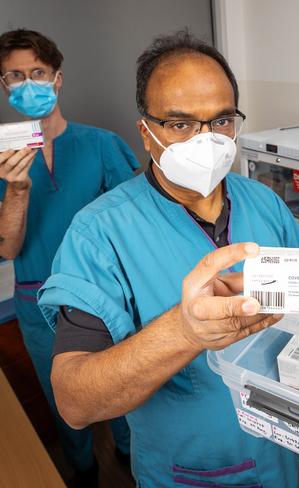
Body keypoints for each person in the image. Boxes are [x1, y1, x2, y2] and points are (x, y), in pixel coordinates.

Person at [37, 31, 299, 487]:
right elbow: (75, 401)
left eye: (221, 121)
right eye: (181, 124)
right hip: (187, 471)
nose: (206, 140)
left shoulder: (265, 204)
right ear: (146, 132)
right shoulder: (100, 234)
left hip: (280, 449)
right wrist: (183, 331)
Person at [0, 29, 137, 484]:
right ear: (5, 87)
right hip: (37, 302)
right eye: (15, 76)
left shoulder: (101, 145)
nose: (28, 84)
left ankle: (128, 454)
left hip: (104, 297)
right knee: (64, 399)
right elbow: (7, 248)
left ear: (57, 79)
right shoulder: (4, 161)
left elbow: (133, 226)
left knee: (118, 384)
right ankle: (81, 469)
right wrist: (17, 190)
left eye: (37, 73)